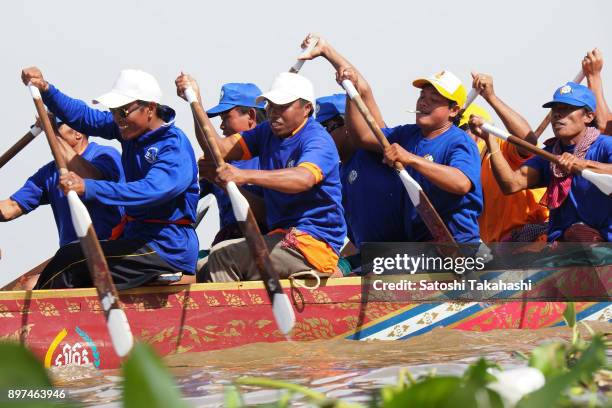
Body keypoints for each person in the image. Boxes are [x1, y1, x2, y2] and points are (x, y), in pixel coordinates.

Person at [21, 67, 199, 289]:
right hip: (136, 239)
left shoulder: (174, 148)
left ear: (150, 108)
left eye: (122, 112)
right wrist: (46, 89)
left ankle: (40, 321)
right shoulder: (131, 129)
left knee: (72, 260)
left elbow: (148, 191)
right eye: (113, 111)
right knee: (70, 256)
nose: (117, 118)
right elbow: (84, 117)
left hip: (166, 248)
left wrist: (87, 187)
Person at [300, 35, 482, 243]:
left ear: (454, 111)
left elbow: (461, 184)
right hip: (418, 250)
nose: (424, 103)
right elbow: (363, 135)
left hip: (460, 244)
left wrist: (410, 158)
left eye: (434, 100)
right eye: (422, 97)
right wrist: (350, 90)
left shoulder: (459, 141)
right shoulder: (407, 134)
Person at [175, 71, 346, 282]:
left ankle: (234, 316)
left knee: (223, 257)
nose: (274, 112)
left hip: (313, 245)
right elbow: (217, 149)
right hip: (279, 238)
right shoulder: (267, 132)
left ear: (307, 108)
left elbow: (303, 178)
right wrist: (195, 102)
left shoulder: (317, 139)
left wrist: (244, 175)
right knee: (200, 267)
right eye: (270, 105)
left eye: (282, 106)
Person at [469, 82, 612, 242]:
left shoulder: (605, 145)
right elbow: (511, 184)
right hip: (562, 247)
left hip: (602, 246)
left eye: (566, 108)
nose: (558, 114)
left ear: (588, 116)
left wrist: (581, 164)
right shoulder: (550, 153)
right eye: (555, 109)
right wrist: (490, 140)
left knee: (580, 233)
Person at [0, 117, 123, 289]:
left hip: (109, 251)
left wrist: (51, 132)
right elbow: (10, 208)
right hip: (71, 259)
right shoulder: (49, 172)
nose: (49, 133)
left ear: (78, 133)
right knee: (26, 287)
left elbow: (90, 178)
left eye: (56, 127)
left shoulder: (105, 155)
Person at [460, 73, 549, 243]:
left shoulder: (503, 146)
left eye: (464, 130)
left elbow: (528, 139)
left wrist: (491, 97)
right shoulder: (461, 167)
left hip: (534, 234)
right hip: (500, 248)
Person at [196, 82, 267, 246]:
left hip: (266, 245)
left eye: (226, 117)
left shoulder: (272, 157)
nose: (221, 126)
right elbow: (187, 196)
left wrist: (225, 184)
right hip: (226, 242)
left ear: (250, 115)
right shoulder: (218, 161)